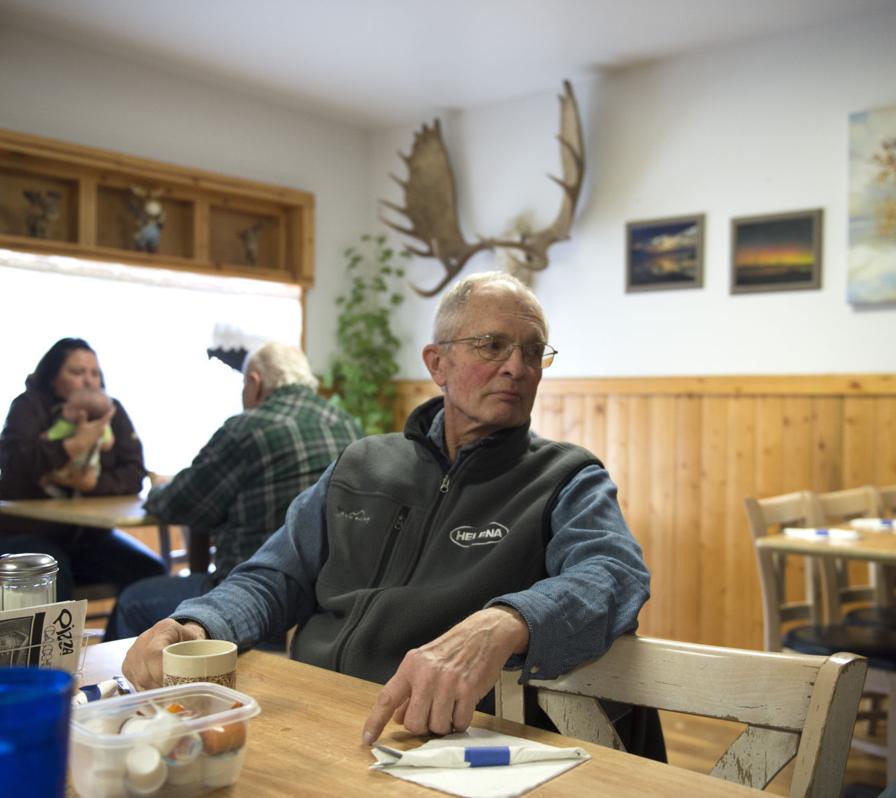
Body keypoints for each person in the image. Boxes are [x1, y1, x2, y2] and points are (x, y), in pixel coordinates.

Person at [121, 272, 657, 755]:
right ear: (436, 363)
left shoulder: (565, 477)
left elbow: (613, 573)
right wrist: (197, 623)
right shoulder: (362, 462)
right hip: (307, 714)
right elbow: (273, 576)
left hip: (435, 740)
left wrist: (505, 622)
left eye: (533, 350)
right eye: (492, 345)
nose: (516, 367)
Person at [108, 342, 363, 641]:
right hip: (324, 600)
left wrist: (158, 487)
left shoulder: (248, 428)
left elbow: (179, 503)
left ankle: (123, 687)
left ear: (254, 383)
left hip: (253, 598)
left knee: (132, 601)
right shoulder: (348, 426)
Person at [0, 338, 166, 637]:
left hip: (87, 539)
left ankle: (117, 658)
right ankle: (54, 672)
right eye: (77, 371)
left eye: (94, 372)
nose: (89, 380)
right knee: (54, 574)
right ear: (53, 375)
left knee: (149, 573)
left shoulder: (112, 410)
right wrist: (70, 446)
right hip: (21, 534)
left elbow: (134, 472)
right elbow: (15, 466)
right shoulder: (28, 406)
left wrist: (93, 484)